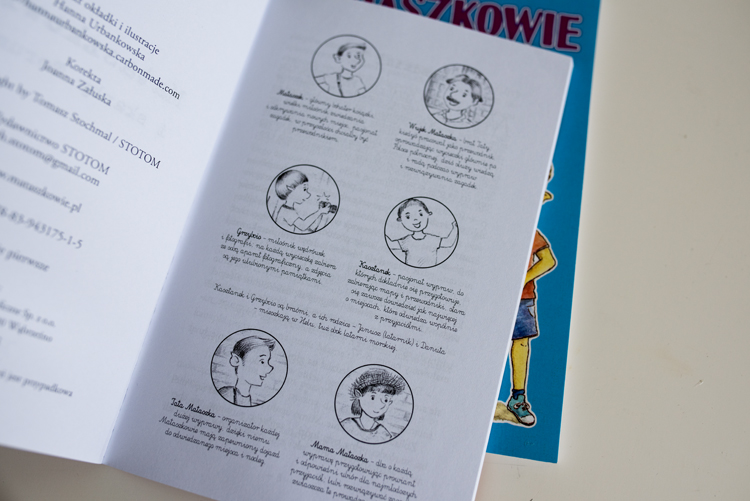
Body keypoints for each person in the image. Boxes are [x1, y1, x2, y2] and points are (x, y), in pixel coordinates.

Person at [497, 167, 557, 426]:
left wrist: (521, 279)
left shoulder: (530, 232)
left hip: (522, 298)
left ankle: (517, 398)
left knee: (520, 343)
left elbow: (548, 260)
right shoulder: (499, 226)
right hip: (494, 295)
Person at [340, 368, 405, 443]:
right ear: (358, 395)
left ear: (389, 403)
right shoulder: (346, 425)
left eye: (385, 400)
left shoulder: (384, 434)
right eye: (372, 397)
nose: (380, 404)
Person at [386, 198, 457, 267]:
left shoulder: (432, 239)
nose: (415, 219)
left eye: (420, 214)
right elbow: (390, 244)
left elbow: (449, 243)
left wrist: (455, 227)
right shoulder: (406, 241)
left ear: (428, 214)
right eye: (408, 217)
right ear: (401, 220)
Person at [270, 170, 335, 233]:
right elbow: (302, 226)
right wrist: (320, 212)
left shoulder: (290, 209)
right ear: (291, 188)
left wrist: (321, 212)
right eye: (304, 189)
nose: (308, 194)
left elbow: (310, 229)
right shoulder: (286, 211)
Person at [218, 336, 275, 407]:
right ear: (236, 360)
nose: (269, 368)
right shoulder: (225, 394)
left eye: (267, 361)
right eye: (262, 362)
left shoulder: (247, 399)